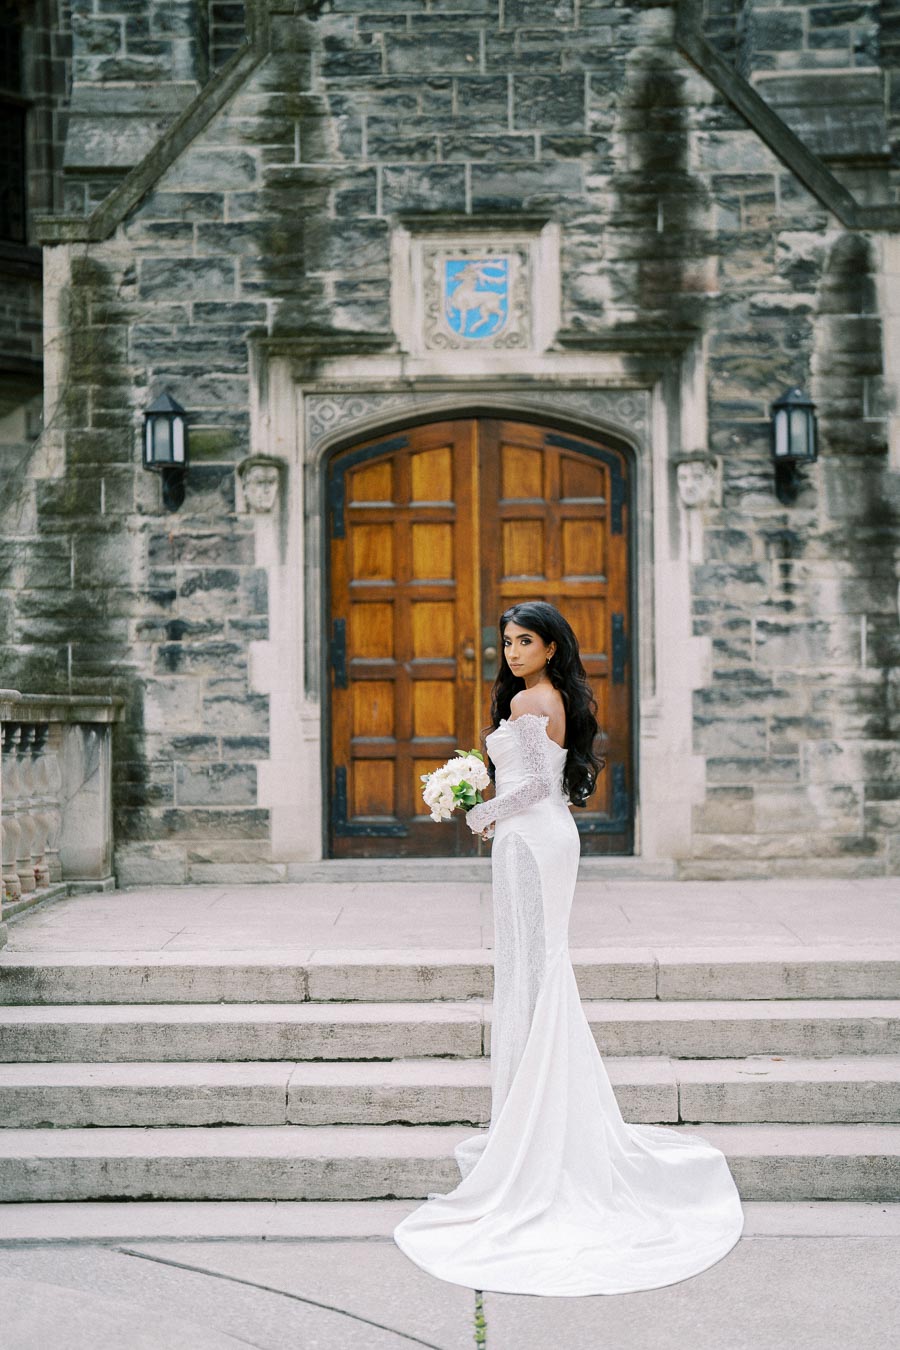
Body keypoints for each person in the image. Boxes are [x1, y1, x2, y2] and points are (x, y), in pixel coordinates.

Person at [393, 600, 744, 1297]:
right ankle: (538, 1112)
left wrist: (478, 807)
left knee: (535, 974)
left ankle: (539, 1128)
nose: (512, 651)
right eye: (506, 641)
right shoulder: (553, 697)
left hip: (531, 839)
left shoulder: (532, 697)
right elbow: (540, 785)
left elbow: (524, 790)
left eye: (524, 641)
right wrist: (488, 798)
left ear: (551, 647)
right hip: (545, 836)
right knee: (537, 972)